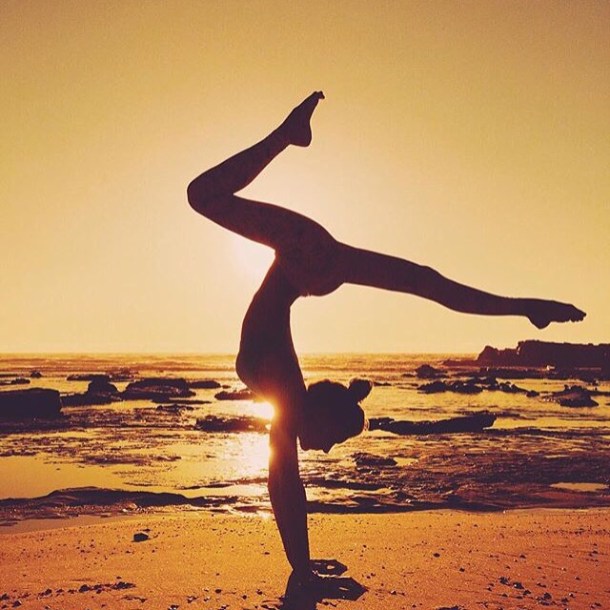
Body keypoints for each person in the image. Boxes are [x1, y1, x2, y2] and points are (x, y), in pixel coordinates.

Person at [187, 92, 585, 586]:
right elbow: (283, 481)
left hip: (305, 264)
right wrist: (304, 572)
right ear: (319, 412)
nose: (325, 451)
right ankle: (287, 135)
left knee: (424, 282)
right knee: (202, 195)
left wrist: (303, 568)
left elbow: (284, 479)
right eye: (334, 438)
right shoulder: (286, 394)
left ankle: (527, 307)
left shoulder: (285, 389)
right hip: (304, 257)